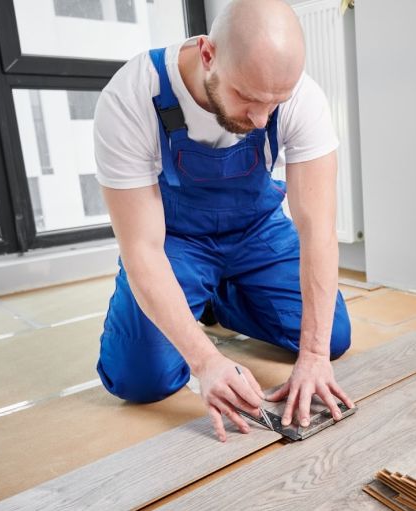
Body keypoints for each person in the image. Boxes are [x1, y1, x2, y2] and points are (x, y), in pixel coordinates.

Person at [92, 0, 353, 442]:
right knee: (141, 380)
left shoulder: (300, 96)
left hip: (256, 232)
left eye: (275, 103)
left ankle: (219, 300)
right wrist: (205, 362)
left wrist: (312, 353)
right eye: (247, 97)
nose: (260, 118)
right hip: (176, 242)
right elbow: (141, 248)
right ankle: (198, 295)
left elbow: (318, 231)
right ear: (208, 54)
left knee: (332, 337)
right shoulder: (132, 96)